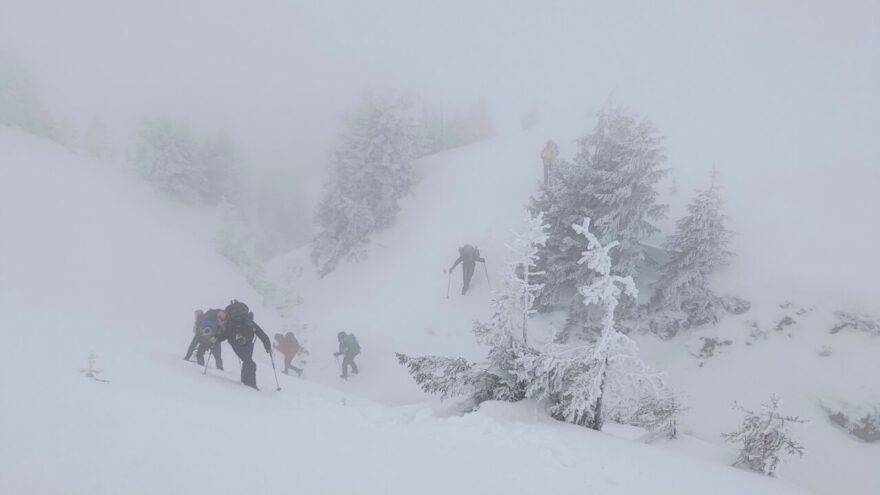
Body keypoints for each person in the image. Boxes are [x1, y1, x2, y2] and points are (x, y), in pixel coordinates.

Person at [213, 300, 271, 390]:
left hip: (235, 343)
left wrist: (217, 339)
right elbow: (261, 334)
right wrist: (268, 346)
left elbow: (226, 333)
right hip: (248, 343)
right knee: (249, 362)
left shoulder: (232, 322)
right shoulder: (248, 321)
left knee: (247, 361)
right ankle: (251, 385)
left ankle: (246, 382)